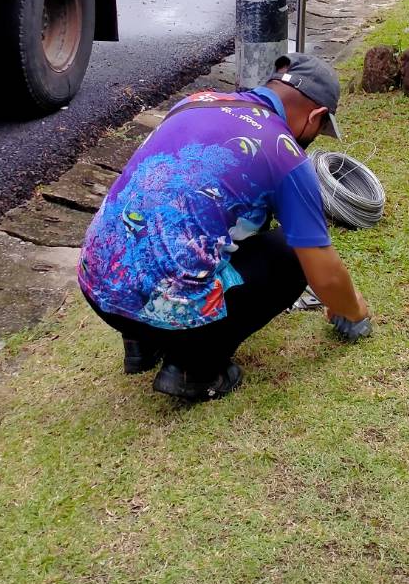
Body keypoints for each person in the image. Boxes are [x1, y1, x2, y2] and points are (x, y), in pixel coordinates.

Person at [78, 52, 372, 403]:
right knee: (291, 255)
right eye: (321, 130)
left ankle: (140, 345)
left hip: (96, 289)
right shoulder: (284, 152)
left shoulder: (197, 101)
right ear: (316, 116)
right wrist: (354, 309)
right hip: (164, 315)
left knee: (161, 225)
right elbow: (323, 273)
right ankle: (195, 370)